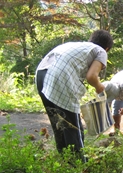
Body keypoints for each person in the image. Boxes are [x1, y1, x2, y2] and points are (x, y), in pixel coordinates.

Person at [35, 29, 113, 161]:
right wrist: (100, 87)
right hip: (60, 77)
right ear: (106, 48)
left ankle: (64, 160)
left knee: (58, 123)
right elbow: (91, 76)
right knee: (73, 126)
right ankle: (79, 164)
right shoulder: (100, 51)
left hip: (41, 75)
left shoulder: (76, 46)